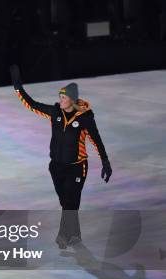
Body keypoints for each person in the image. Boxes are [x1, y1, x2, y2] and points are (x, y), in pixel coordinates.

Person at [10, 65, 112, 248]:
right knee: (67, 202)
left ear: (72, 99)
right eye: (60, 96)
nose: (60, 99)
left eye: (64, 97)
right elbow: (32, 105)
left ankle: (63, 236)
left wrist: (105, 161)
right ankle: (75, 235)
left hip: (77, 166)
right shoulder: (55, 113)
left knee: (71, 201)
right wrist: (18, 87)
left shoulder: (84, 118)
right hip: (56, 167)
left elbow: (96, 140)